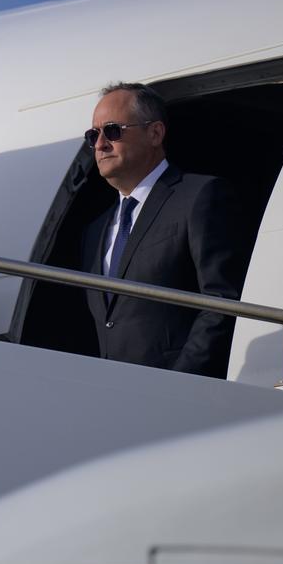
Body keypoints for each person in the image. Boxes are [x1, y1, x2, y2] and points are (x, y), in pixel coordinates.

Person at [81, 82, 247, 378]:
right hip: (112, 395)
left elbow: (221, 302)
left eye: (113, 131)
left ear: (155, 133)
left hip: (178, 394)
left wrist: (176, 382)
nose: (100, 144)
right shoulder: (94, 232)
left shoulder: (199, 196)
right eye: (93, 135)